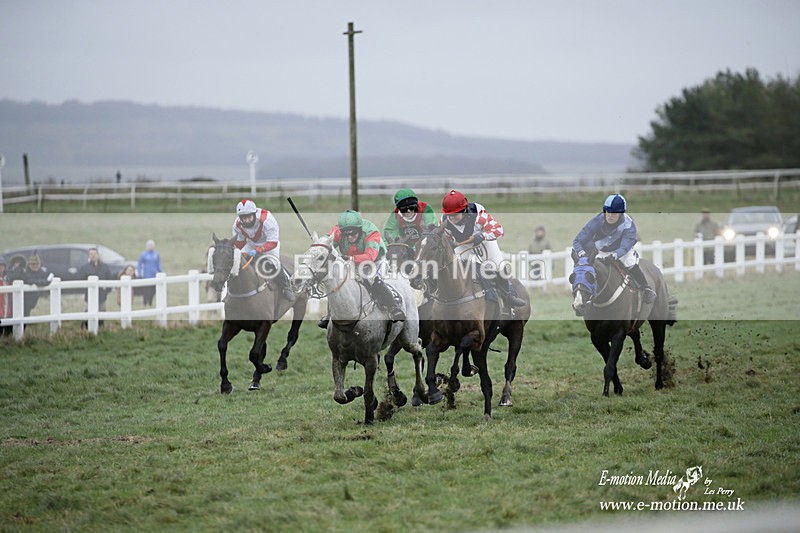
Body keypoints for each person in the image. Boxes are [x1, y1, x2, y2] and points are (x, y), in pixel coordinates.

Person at [318, 210, 406, 329]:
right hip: (351, 260)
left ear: (360, 229)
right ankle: (330, 314)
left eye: (353, 234)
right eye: (346, 235)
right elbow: (326, 240)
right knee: (339, 282)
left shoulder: (371, 232)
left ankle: (394, 308)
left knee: (372, 279)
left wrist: (349, 258)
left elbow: (370, 257)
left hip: (375, 261)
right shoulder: (339, 230)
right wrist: (320, 245)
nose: (349, 237)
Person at [440, 189, 526, 308]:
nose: (451, 218)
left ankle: (509, 295)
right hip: (463, 245)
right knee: (459, 269)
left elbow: (499, 230)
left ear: (464, 211)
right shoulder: (444, 220)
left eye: (454, 214)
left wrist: (482, 236)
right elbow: (447, 238)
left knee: (497, 265)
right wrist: (450, 243)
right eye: (449, 215)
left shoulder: (479, 216)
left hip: (485, 242)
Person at [572, 194, 656, 304]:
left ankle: (646, 288)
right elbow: (577, 241)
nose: (610, 216)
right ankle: (583, 296)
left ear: (621, 213)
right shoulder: (597, 220)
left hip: (622, 252)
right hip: (601, 250)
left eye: (614, 213)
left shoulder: (628, 224)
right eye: (608, 212)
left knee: (630, 263)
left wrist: (615, 255)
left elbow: (625, 246)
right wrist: (581, 253)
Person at [231, 199, 295, 302]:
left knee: (273, 264)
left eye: (249, 217)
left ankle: (286, 287)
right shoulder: (237, 225)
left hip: (268, 244)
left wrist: (258, 250)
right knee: (237, 262)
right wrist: (234, 250)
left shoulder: (267, 220)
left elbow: (273, 242)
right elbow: (240, 242)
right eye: (243, 218)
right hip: (251, 243)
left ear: (254, 214)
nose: (246, 220)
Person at [382, 188, 439, 254]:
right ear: (399, 209)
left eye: (412, 207)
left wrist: (417, 249)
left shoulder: (426, 210)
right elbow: (388, 237)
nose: (408, 211)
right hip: (406, 249)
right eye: (404, 209)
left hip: (425, 246)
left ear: (416, 205)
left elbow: (432, 231)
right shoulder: (395, 215)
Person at [78, 247, 112, 328]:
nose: (93, 255)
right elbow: (80, 280)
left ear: (98, 255)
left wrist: (106, 291)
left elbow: (109, 279)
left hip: (102, 295)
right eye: (91, 254)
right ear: (88, 256)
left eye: (94, 254)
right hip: (89, 295)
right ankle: (85, 328)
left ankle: (100, 328)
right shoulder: (84, 268)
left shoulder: (104, 267)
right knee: (88, 311)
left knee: (102, 312)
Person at [137, 239, 163, 306]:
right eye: (149, 245)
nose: (150, 247)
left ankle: (150, 303)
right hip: (146, 276)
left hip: (154, 275)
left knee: (153, 290)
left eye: (152, 245)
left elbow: (158, 264)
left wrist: (161, 272)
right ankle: (145, 303)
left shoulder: (156, 254)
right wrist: (139, 273)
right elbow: (139, 264)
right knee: (146, 291)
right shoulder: (143, 254)